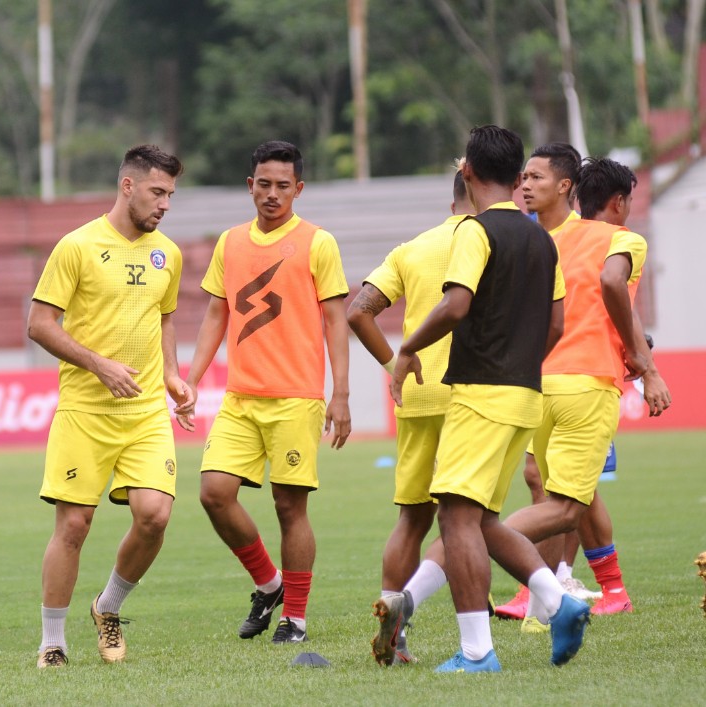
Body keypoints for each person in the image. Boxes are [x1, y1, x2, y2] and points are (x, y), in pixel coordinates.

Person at [387, 124, 589, 673]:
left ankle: (477, 651)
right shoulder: (541, 238)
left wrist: (406, 350)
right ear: (516, 172)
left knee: (453, 519)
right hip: (524, 393)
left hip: (480, 392)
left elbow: (455, 305)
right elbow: (557, 324)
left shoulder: (475, 232)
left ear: (468, 173)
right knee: (480, 520)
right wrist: (520, 362)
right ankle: (557, 601)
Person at [176, 140, 351, 644]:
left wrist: (340, 393)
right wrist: (192, 378)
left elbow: (336, 319)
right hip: (240, 398)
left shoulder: (319, 242)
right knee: (213, 493)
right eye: (263, 184)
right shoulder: (230, 242)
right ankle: (268, 583)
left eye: (282, 186)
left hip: (297, 398)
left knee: (288, 508)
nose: (272, 194)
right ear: (249, 185)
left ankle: (295, 617)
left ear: (298, 189)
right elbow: (216, 313)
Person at [27, 145, 193, 668]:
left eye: (170, 194)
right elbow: (39, 324)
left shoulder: (168, 252)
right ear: (127, 186)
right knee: (74, 526)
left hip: (143, 413)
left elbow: (164, 317)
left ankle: (109, 607)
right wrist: (99, 365)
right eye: (157, 192)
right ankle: (52, 641)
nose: (165, 204)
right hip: (84, 410)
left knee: (154, 516)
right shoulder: (76, 247)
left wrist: (170, 373)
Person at [497, 156, 671, 633]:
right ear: (620, 202)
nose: (527, 186)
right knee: (566, 502)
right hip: (586, 382)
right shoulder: (621, 240)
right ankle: (490, 543)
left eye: (535, 178)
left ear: (568, 189)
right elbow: (613, 285)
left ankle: (547, 599)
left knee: (560, 494)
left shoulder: (538, 242)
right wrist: (646, 363)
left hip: (537, 384)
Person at [347, 166, 473, 665]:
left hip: (419, 397)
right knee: (470, 520)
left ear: (451, 203)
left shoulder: (413, 248)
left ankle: (392, 631)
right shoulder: (492, 240)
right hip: (473, 396)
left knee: (411, 520)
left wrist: (395, 363)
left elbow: (358, 310)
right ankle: (460, 630)